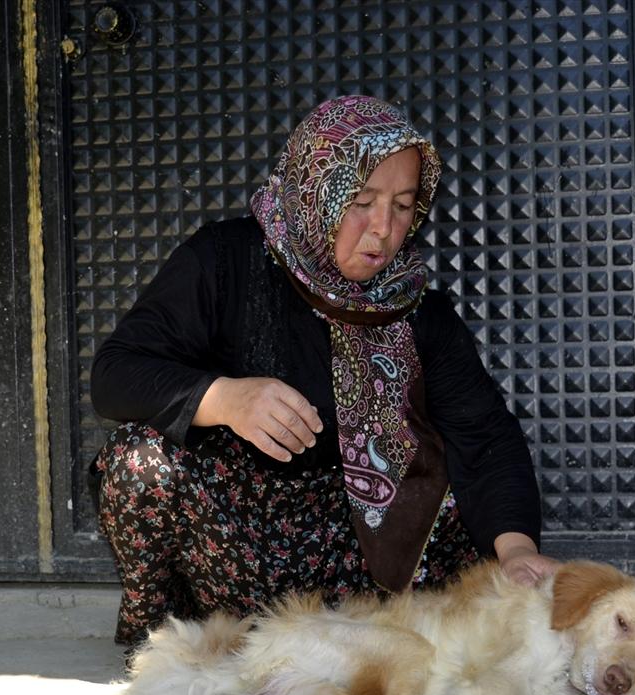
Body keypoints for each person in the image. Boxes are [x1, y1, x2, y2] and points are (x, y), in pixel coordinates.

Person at [90, 95, 556, 648]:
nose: (383, 229)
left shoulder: (416, 308)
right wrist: (223, 399)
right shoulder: (225, 262)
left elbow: (485, 438)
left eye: (403, 206)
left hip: (371, 568)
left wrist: (518, 552)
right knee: (136, 460)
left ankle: (362, 642)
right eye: (361, 201)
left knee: (447, 484)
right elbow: (116, 373)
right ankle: (167, 641)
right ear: (318, 191)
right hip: (240, 554)